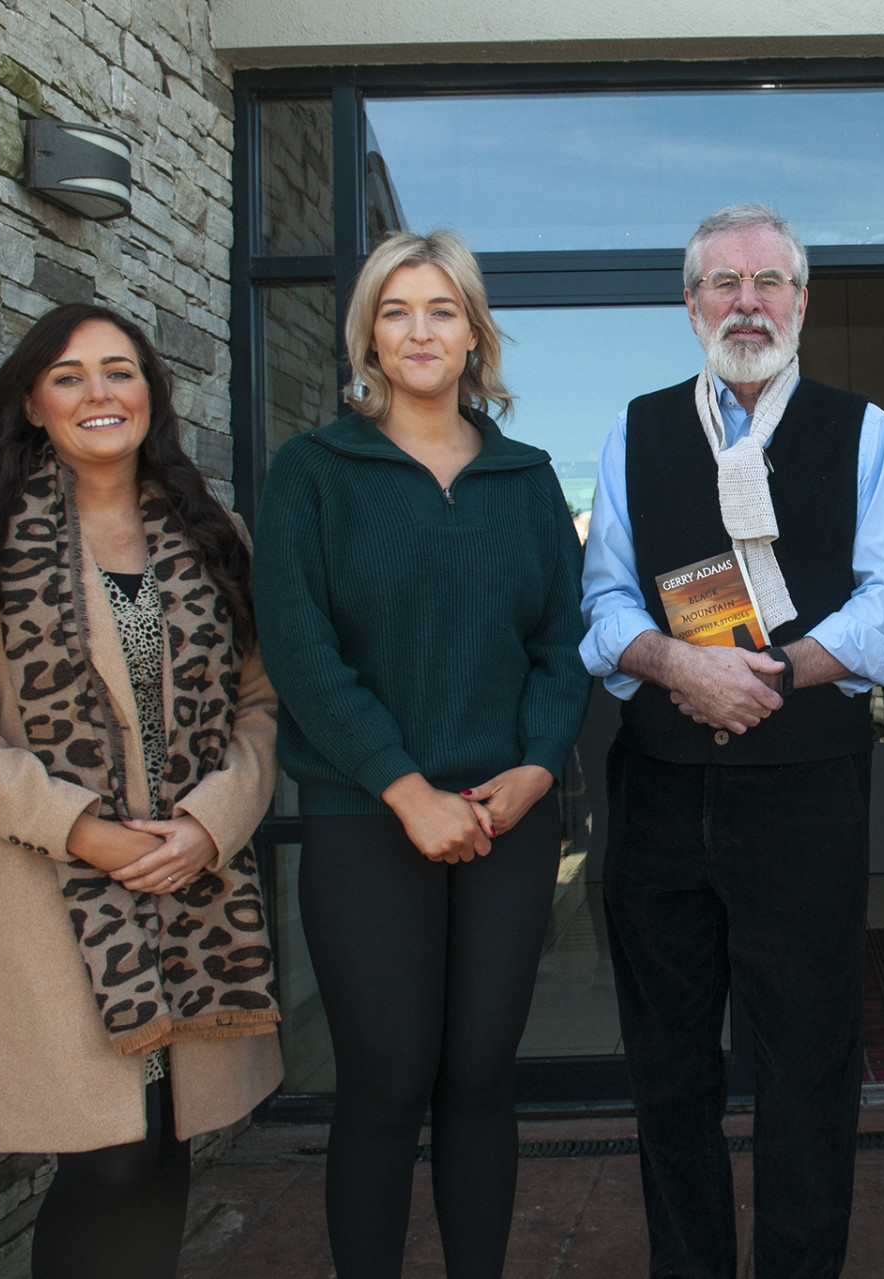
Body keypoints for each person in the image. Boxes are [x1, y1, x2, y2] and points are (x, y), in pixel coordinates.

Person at [579, 203, 884, 1277]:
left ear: (802, 302)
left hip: (807, 793)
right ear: (689, 307)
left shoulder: (856, 427)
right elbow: (601, 602)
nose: (746, 301)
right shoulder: (633, 430)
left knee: (808, 1067)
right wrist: (678, 664)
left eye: (768, 281)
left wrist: (778, 673)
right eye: (722, 283)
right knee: (669, 1070)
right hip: (662, 795)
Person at [0, 303, 282, 1279]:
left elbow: (258, 704)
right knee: (108, 1158)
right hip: (52, 894)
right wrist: (84, 831)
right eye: (69, 375)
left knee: (163, 1147)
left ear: (151, 393)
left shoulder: (212, 535)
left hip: (190, 893)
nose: (99, 392)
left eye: (120, 370)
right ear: (32, 401)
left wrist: (212, 824)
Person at [253, 229, 589, 1277]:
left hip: (508, 817)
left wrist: (537, 766)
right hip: (367, 817)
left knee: (483, 1076)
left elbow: (561, 643)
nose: (419, 330)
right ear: (367, 337)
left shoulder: (528, 478)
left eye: (441, 309)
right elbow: (301, 654)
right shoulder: (312, 472)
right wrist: (405, 788)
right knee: (387, 1082)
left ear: (475, 332)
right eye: (395, 311)